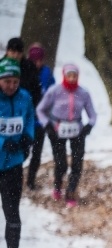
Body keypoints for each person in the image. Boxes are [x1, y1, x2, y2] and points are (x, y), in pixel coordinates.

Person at [36, 64, 96, 208]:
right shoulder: (54, 91)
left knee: (77, 163)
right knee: (61, 162)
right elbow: (40, 110)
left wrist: (88, 126)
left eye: (74, 75)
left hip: (77, 131)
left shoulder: (83, 93)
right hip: (57, 130)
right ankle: (57, 185)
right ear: (64, 75)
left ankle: (70, 192)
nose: (72, 78)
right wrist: (47, 126)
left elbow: (92, 114)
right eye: (69, 75)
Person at [0, 57, 35, 248]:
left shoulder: (25, 98)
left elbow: (30, 121)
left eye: (15, 81)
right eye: (7, 81)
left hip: (13, 166)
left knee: (13, 214)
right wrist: (4, 142)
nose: (11, 85)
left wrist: (26, 141)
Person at [25, 43, 55, 190]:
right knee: (21, 151)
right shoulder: (24, 71)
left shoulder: (47, 73)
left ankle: (30, 181)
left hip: (40, 121)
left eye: (40, 60)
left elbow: (54, 92)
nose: (37, 63)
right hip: (25, 121)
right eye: (34, 60)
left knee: (36, 153)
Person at [3, 38, 41, 109]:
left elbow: (36, 90)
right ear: (7, 51)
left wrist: (31, 107)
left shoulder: (29, 67)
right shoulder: (1, 66)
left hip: (24, 107)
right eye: (13, 52)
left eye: (19, 53)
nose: (15, 56)